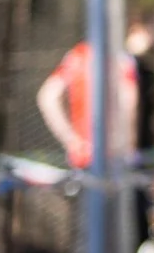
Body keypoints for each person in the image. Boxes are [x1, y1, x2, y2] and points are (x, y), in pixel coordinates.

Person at [35, 18, 146, 171]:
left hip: (83, 156)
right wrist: (128, 145)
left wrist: (70, 139)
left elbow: (47, 96)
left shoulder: (75, 56)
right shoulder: (122, 60)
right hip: (112, 155)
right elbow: (129, 103)